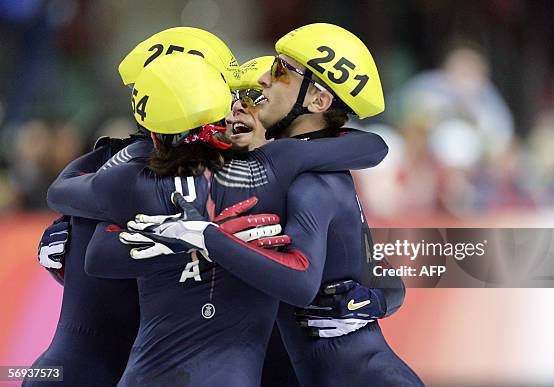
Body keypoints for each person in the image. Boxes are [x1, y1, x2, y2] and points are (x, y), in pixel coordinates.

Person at [46, 51, 388, 385]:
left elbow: (74, 212)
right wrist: (204, 237)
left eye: (253, 97)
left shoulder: (128, 178)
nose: (243, 105)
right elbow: (372, 147)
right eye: (233, 98)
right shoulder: (280, 173)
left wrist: (188, 235)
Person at [121, 23, 424, 386]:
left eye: (280, 69)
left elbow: (313, 278)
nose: (263, 78)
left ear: (318, 101)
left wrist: (205, 236)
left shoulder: (311, 180)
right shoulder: (279, 168)